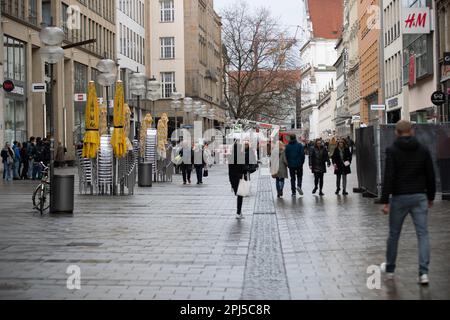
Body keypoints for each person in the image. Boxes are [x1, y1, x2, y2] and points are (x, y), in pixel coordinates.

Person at [380, 120, 436, 285]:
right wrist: (431, 196)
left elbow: (389, 176)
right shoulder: (423, 150)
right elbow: (430, 174)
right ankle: (423, 273)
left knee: (394, 234)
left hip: (399, 198)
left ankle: (390, 269)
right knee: (423, 234)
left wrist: (385, 201)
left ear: (396, 132)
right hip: (419, 196)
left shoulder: (392, 150)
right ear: (412, 131)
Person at [228, 140, 255, 219]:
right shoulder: (240, 157)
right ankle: (238, 212)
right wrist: (249, 169)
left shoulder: (230, 157)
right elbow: (243, 168)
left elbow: (230, 169)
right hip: (239, 178)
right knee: (240, 195)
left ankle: (239, 212)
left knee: (238, 194)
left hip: (232, 178)